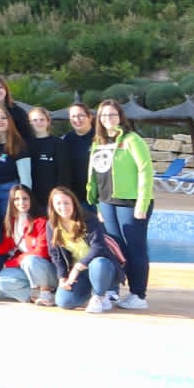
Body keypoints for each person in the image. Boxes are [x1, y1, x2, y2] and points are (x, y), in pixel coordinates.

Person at [87, 98, 155, 310]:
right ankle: (113, 291)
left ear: (120, 117)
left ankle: (138, 294)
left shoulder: (132, 139)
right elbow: (97, 175)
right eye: (104, 115)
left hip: (130, 203)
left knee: (135, 249)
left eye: (113, 114)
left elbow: (145, 170)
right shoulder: (98, 142)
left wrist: (142, 203)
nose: (108, 118)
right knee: (115, 248)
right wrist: (97, 203)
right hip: (107, 202)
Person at [46, 185, 125, 313]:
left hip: (101, 268)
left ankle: (100, 296)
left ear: (73, 203)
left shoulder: (89, 219)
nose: (63, 206)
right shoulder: (51, 225)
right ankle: (89, 292)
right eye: (58, 203)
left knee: (99, 263)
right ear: (52, 206)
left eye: (66, 203)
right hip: (80, 273)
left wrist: (77, 267)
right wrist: (62, 277)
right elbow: (55, 254)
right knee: (64, 302)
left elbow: (98, 247)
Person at [0, 186, 55, 305]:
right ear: (11, 201)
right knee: (0, 281)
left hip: (47, 270)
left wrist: (13, 262)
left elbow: (41, 252)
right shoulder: (11, 222)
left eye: (25, 198)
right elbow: (4, 247)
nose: (21, 202)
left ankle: (46, 293)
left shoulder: (41, 221)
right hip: (27, 268)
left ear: (31, 200)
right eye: (17, 199)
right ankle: (36, 298)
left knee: (30, 260)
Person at [0, 106, 33, 212]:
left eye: (3, 118)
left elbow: (26, 178)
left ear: (10, 121)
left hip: (9, 193)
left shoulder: (18, 145)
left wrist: (24, 198)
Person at [61, 103, 98, 217]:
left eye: (81, 115)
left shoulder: (100, 137)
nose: (77, 119)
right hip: (78, 197)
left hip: (99, 196)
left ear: (90, 117)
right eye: (73, 116)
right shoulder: (67, 139)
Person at [26, 107, 63, 201]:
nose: (38, 122)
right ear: (30, 123)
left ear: (48, 121)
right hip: (31, 195)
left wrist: (60, 193)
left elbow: (63, 172)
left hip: (53, 196)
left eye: (42, 119)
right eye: (35, 120)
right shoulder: (25, 144)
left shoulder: (58, 143)